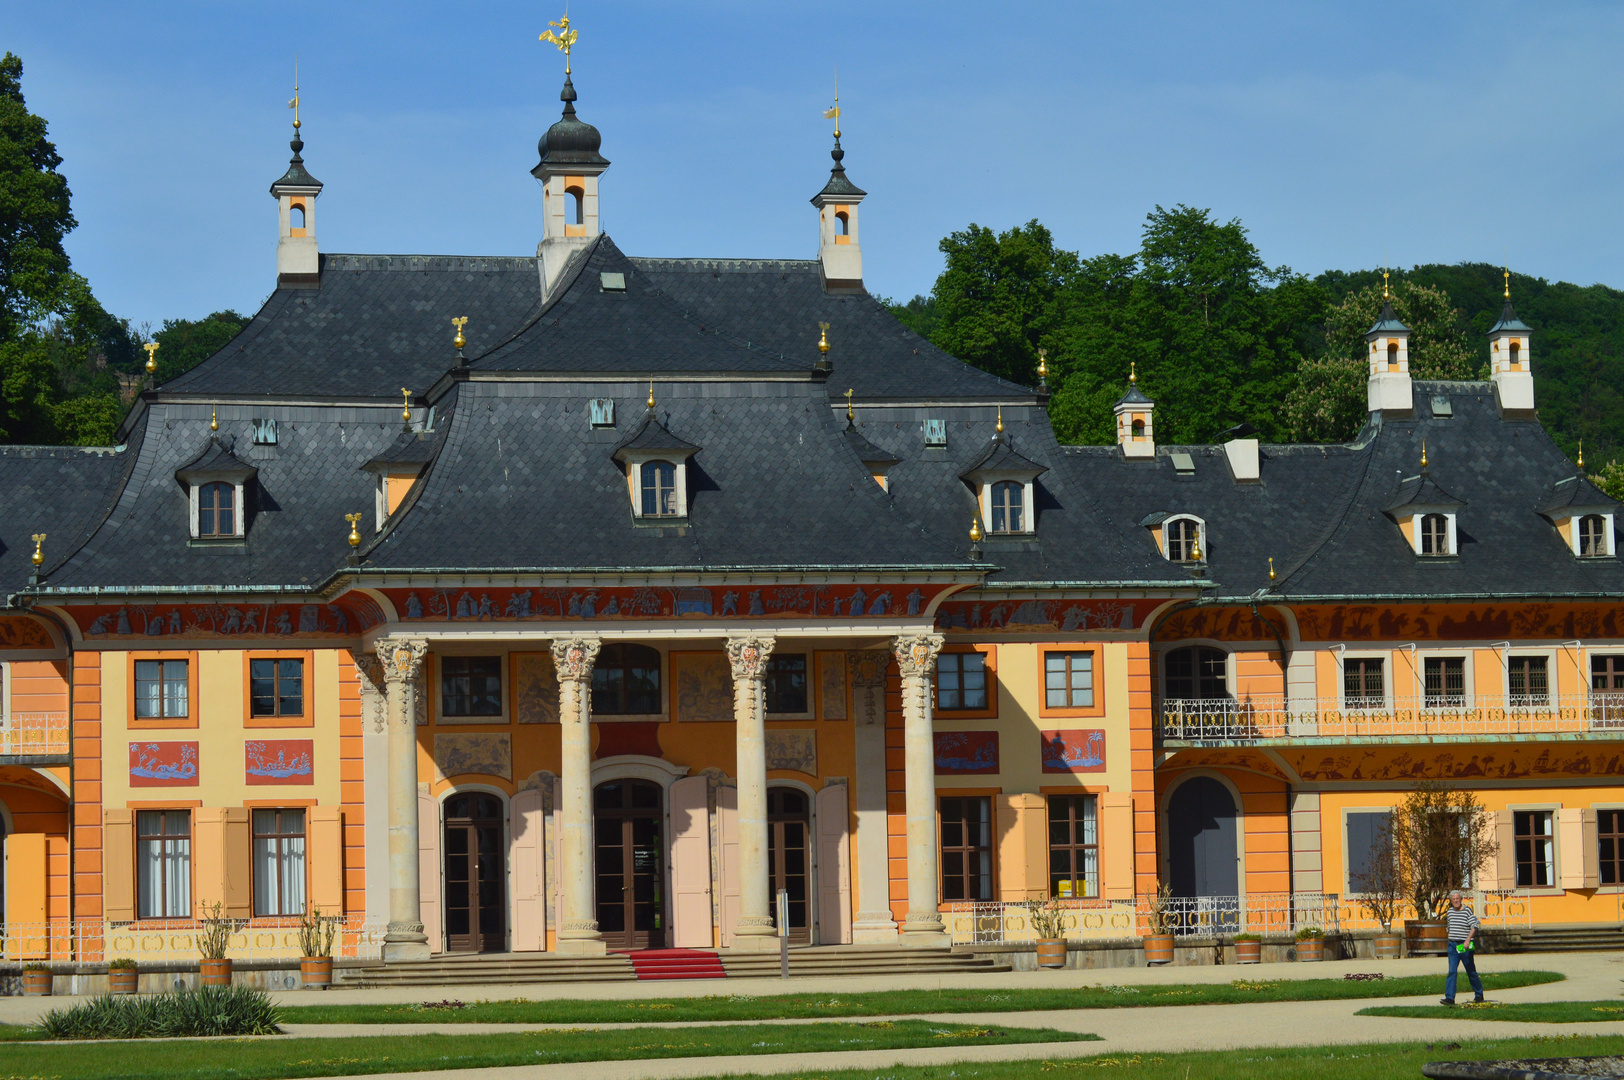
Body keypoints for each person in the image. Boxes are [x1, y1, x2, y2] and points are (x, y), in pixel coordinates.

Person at [1440, 889, 1484, 1005]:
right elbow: (1449, 926)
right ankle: (1449, 998)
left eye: (1457, 899)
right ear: (1451, 900)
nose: (1456, 901)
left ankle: (1479, 994)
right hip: (1453, 945)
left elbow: (1475, 926)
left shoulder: (1467, 911)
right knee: (1452, 971)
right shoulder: (1449, 912)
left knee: (1471, 971)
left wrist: (1467, 940)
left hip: (1465, 945)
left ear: (1461, 899)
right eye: (1453, 899)